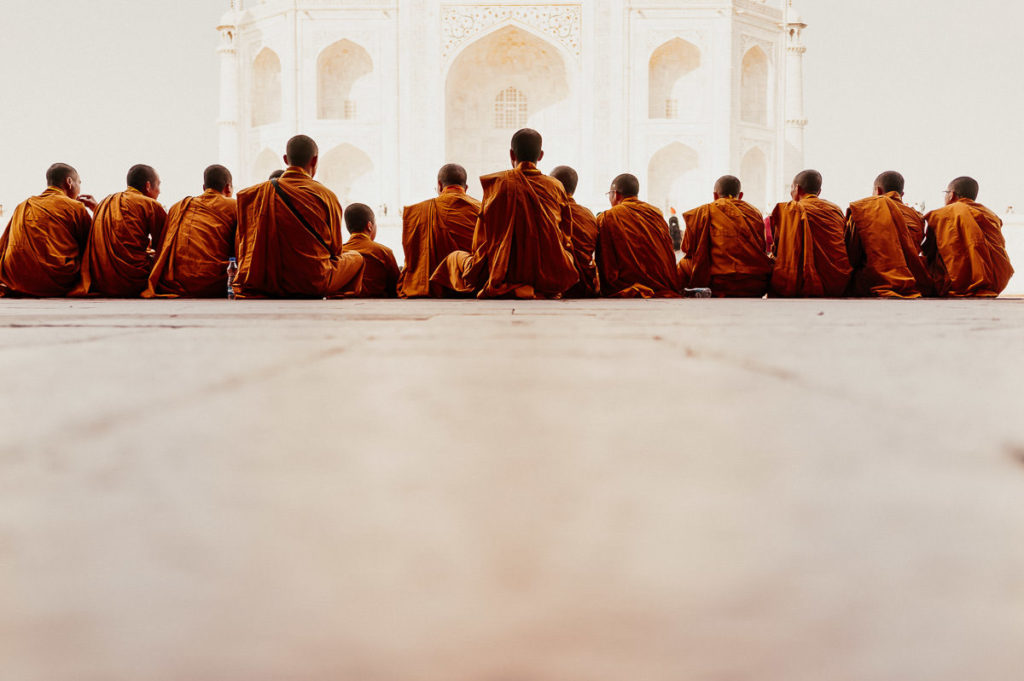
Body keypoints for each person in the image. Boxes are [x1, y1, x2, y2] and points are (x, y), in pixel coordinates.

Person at [430, 128, 578, 299]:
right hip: (546, 273)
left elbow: (482, 237)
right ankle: (534, 289)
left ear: (511, 155)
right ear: (541, 155)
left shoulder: (497, 184)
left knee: (455, 258)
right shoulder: (556, 186)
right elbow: (566, 237)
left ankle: (513, 287)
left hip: (504, 271)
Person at [234, 135, 364, 298]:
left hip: (265, 282)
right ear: (315, 160)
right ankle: (334, 296)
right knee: (356, 258)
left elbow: (245, 245)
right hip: (312, 282)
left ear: (285, 159)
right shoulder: (326, 195)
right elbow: (335, 250)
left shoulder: (254, 194)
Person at [0, 163, 96, 297]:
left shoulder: (23, 206)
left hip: (18, 279)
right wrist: (97, 209)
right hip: (56, 281)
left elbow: (3, 245)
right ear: (69, 182)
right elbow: (93, 246)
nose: (79, 190)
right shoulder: (75, 207)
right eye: (79, 183)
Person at [144, 165, 238, 298]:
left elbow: (162, 246)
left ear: (204, 188)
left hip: (175, 282)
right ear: (228, 187)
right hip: (213, 282)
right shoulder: (234, 206)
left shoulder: (177, 207)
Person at [74, 164, 167, 297]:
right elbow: (163, 247)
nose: (159, 191)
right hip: (134, 280)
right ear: (148, 186)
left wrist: (97, 208)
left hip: (101, 280)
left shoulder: (106, 202)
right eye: (158, 185)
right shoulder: (151, 205)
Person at [678, 175, 773, 297]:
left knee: (683, 264)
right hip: (755, 283)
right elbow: (762, 247)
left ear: (715, 195)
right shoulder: (754, 212)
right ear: (741, 195)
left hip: (717, 282)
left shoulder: (705, 211)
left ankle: (681, 291)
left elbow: (688, 248)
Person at [845, 171, 933, 298]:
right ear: (901, 194)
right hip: (912, 278)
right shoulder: (916, 217)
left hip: (873, 279)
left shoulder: (864, 209)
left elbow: (852, 254)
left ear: (878, 191)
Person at [397, 164, 480, 298]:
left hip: (431, 286)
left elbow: (412, 259)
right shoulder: (481, 209)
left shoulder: (418, 211)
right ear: (466, 188)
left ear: (440, 186)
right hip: (472, 283)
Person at [922, 176, 1014, 297]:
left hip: (958, 283)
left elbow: (928, 251)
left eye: (946, 193)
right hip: (997, 281)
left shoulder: (941, 215)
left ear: (952, 195)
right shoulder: (991, 215)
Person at [595, 173, 681, 298]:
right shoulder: (655, 213)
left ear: (616, 194)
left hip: (628, 284)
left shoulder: (607, 217)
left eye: (609, 194)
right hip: (663, 282)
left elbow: (605, 259)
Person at [768, 169, 851, 297]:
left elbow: (779, 250)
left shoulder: (789, 210)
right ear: (819, 192)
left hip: (797, 284)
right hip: (836, 282)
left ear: (797, 188)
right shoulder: (835, 210)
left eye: (791, 188)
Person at [550, 165, 600, 297]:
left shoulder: (548, 211)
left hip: (552, 283)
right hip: (582, 283)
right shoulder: (587, 214)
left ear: (554, 185)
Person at [343, 202, 399, 298]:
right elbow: (396, 287)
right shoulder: (384, 252)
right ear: (369, 226)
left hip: (342, 305)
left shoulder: (339, 252)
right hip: (378, 305)